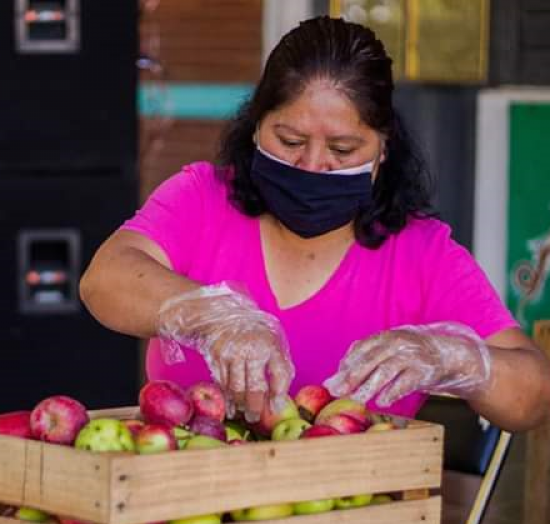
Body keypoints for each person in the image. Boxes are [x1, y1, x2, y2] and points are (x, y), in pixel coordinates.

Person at [79, 16, 550, 431]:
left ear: (383, 150)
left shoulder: (421, 254)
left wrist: (459, 359)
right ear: (257, 126)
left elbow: (533, 396)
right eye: (289, 140)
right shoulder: (202, 200)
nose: (311, 165)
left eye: (342, 150)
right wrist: (209, 316)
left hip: (352, 516)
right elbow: (105, 279)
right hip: (189, 499)